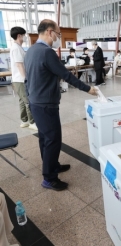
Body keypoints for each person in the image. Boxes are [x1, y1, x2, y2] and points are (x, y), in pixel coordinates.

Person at [24, 19, 98, 191]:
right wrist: (88, 89)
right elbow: (66, 75)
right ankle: (49, 178)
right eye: (58, 34)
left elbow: (28, 79)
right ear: (50, 32)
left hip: (36, 102)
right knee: (53, 140)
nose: (58, 37)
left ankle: (52, 165)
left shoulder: (31, 50)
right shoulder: (47, 52)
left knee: (45, 138)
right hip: (46, 104)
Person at [10, 26, 37, 131]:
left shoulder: (18, 47)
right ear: (19, 36)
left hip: (18, 79)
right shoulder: (16, 48)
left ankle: (24, 121)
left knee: (22, 100)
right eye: (24, 35)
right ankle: (32, 122)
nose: (25, 37)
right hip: (20, 79)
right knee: (28, 101)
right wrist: (26, 79)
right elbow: (19, 65)